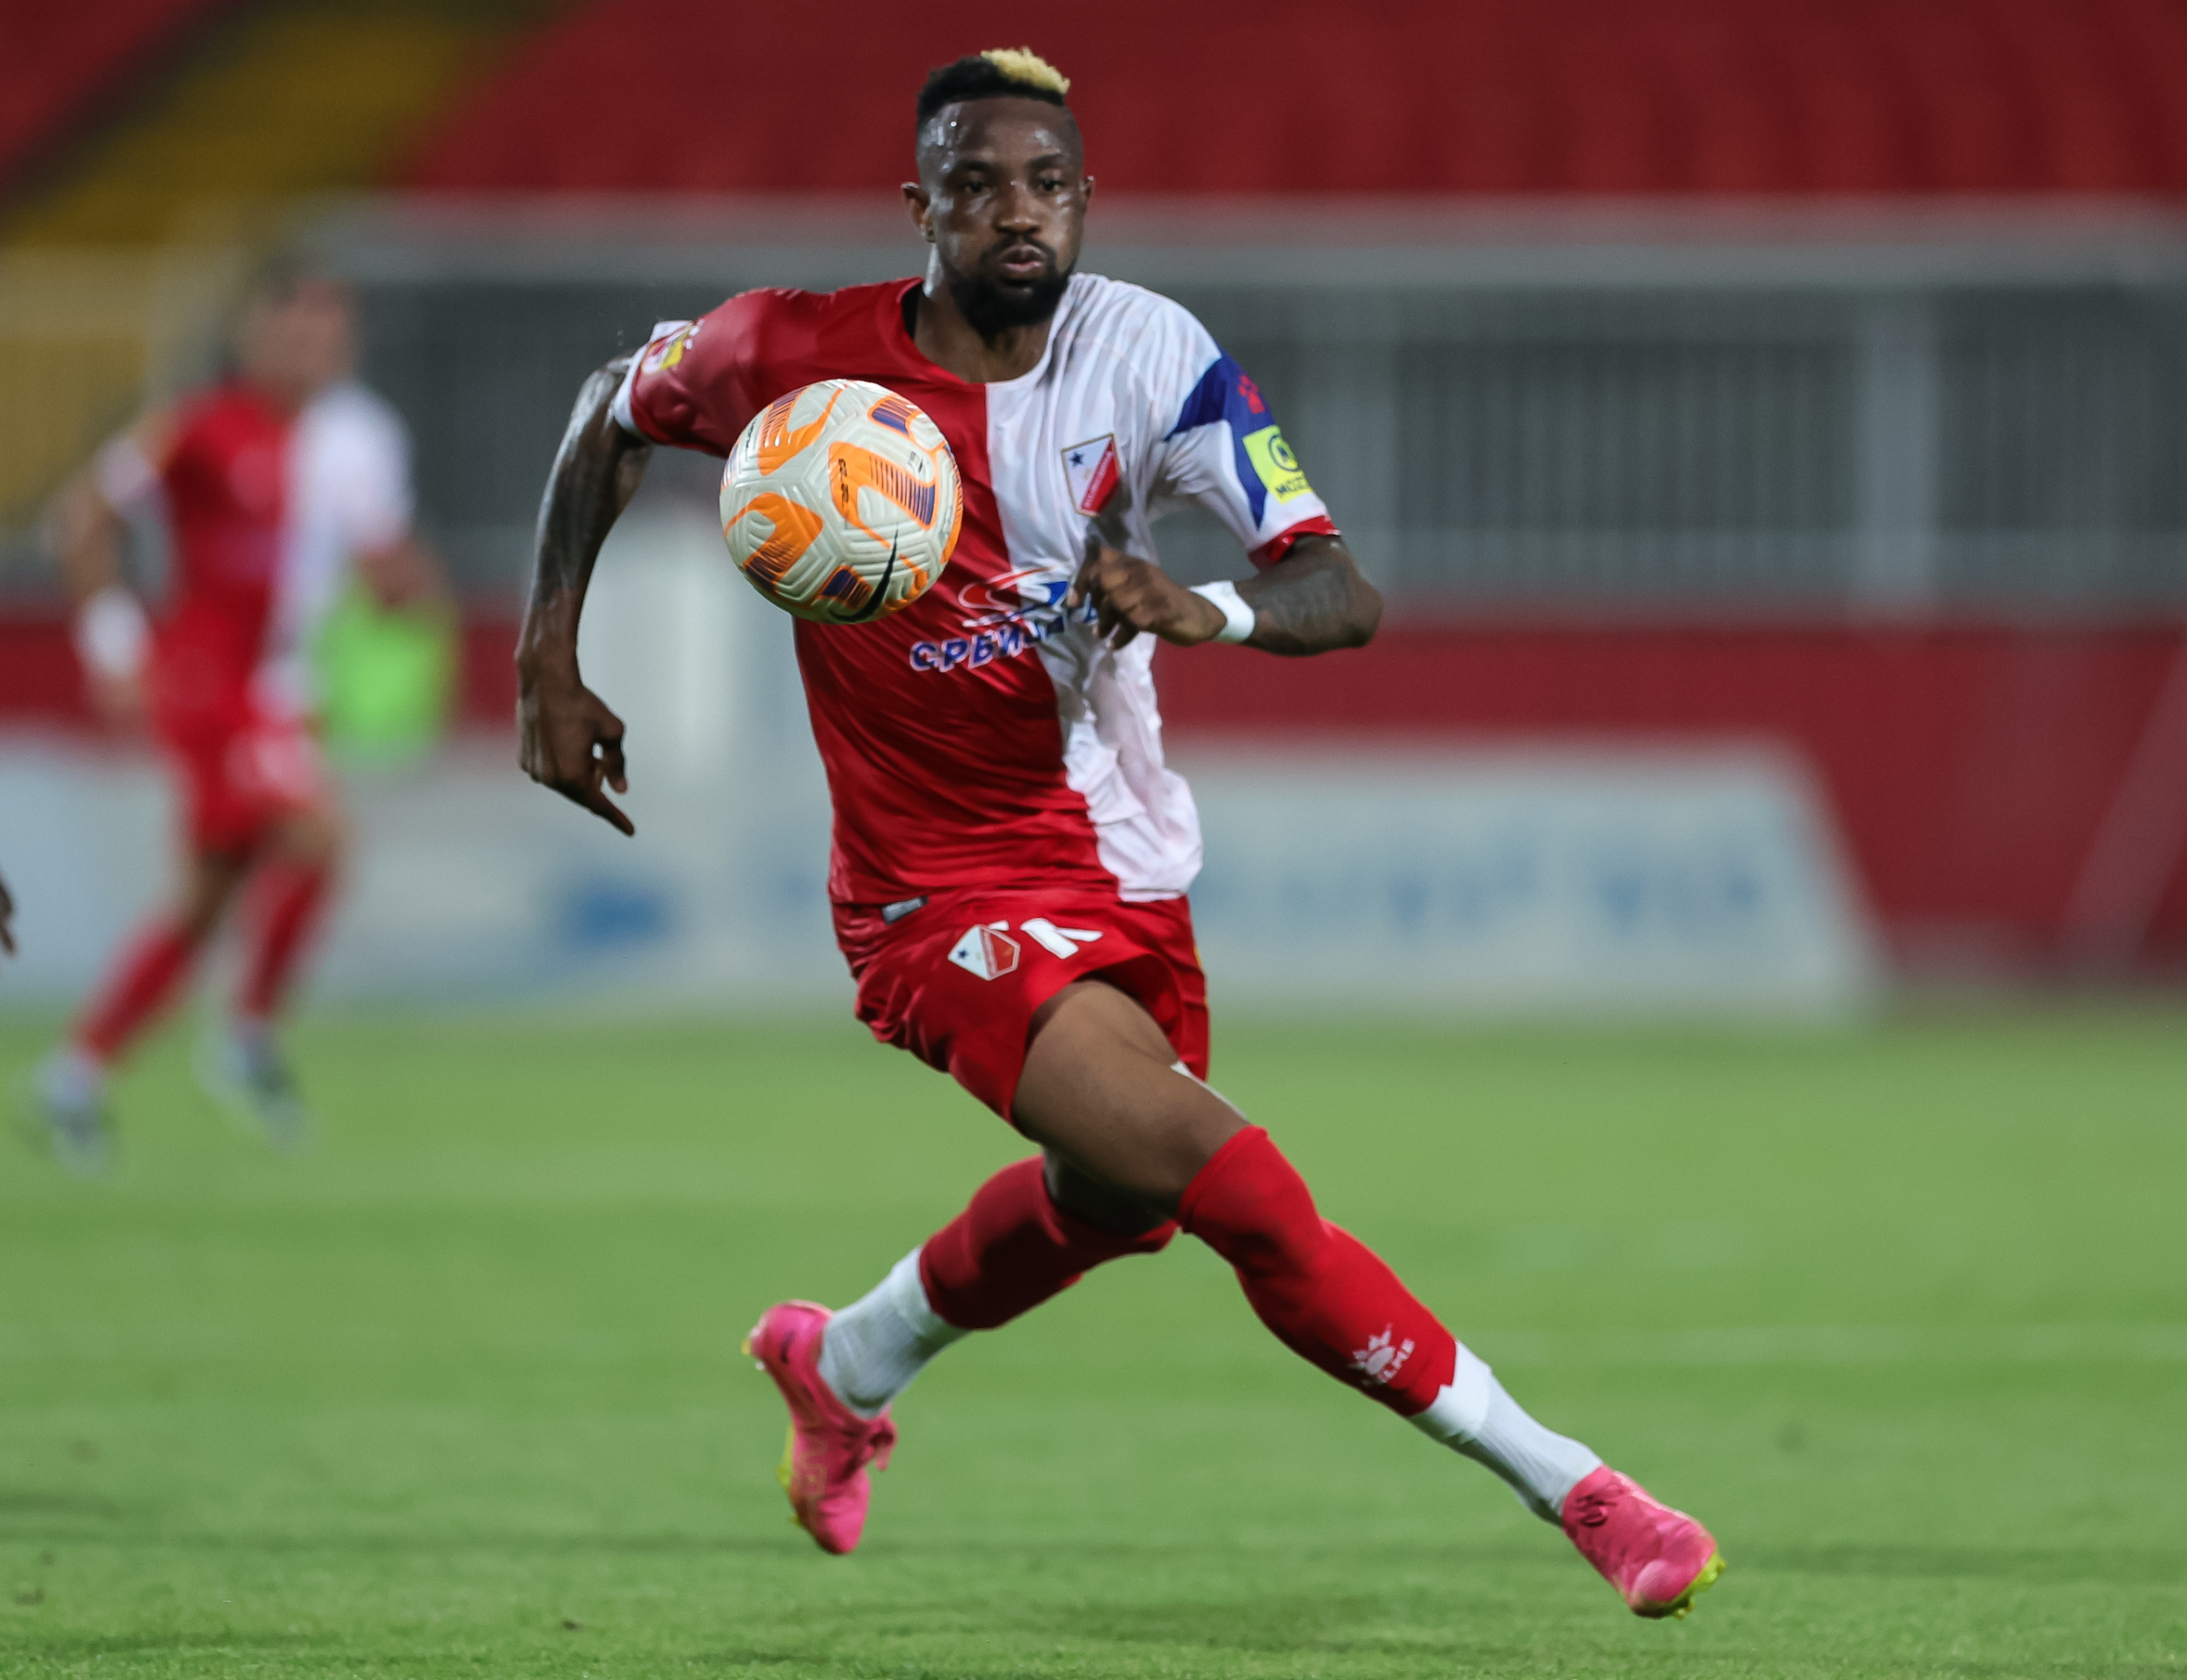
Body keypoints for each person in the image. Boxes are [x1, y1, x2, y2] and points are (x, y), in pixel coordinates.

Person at [516, 50, 1723, 1620]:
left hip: (1119, 855)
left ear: (1085, 199)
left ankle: (844, 1361)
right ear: (919, 205)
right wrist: (546, 657)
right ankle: (1584, 1490)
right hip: (930, 897)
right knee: (1238, 1189)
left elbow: (1338, 587)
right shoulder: (788, 355)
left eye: (1045, 184)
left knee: (1116, 1204)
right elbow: (610, 406)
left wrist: (1207, 606)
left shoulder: (1152, 354)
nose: (1014, 213)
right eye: (974, 185)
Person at [32, 259, 443, 1173]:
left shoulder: (359, 438)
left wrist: (407, 581)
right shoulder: (196, 426)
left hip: (281, 692)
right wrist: (112, 645)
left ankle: (74, 1076)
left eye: (330, 330)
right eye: (297, 328)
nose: (314, 346)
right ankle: (245, 1038)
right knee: (318, 838)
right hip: (209, 685)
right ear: (253, 333)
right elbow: (80, 517)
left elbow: (379, 566)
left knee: (204, 903)